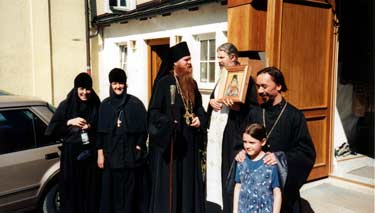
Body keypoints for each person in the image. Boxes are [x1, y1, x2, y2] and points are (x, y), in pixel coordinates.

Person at [239, 66, 316, 212]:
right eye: (258, 86)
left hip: (282, 186)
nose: (260, 91)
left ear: (279, 86)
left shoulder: (294, 116)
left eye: (264, 86)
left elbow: (306, 152)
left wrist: (280, 157)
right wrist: (242, 151)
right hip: (256, 185)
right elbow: (241, 140)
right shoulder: (254, 113)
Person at [148, 42, 206, 213]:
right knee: (171, 186)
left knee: (188, 184)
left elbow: (199, 109)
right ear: (175, 63)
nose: (189, 62)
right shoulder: (164, 83)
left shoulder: (192, 84)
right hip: (170, 144)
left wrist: (199, 119)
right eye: (186, 59)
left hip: (189, 143)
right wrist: (168, 122)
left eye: (190, 59)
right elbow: (153, 113)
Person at [206, 42, 258, 213]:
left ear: (233, 57)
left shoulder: (245, 77)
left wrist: (237, 107)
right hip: (217, 130)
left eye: (221, 57)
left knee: (228, 170)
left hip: (232, 132)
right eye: (218, 57)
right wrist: (211, 101)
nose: (218, 61)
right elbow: (216, 98)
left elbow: (252, 109)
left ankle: (230, 207)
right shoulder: (223, 75)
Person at [45, 72, 101, 213]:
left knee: (90, 193)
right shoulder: (66, 105)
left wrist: (91, 126)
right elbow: (51, 131)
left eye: (87, 89)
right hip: (71, 158)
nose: (84, 92)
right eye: (81, 88)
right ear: (76, 88)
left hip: (90, 158)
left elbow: (103, 128)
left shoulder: (95, 104)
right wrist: (69, 121)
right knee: (72, 193)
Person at [96, 68, 149, 213]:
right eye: (115, 83)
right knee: (112, 194)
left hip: (131, 158)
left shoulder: (135, 104)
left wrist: (139, 147)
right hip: (111, 158)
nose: (118, 86)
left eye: (121, 83)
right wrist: (100, 154)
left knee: (130, 194)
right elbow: (100, 133)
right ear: (110, 85)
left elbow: (143, 130)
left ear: (125, 84)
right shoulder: (104, 105)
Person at [233, 123, 282, 213]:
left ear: (263, 142)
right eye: (245, 142)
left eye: (252, 142)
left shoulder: (270, 163)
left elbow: (276, 191)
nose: (247, 146)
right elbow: (238, 186)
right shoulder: (241, 161)